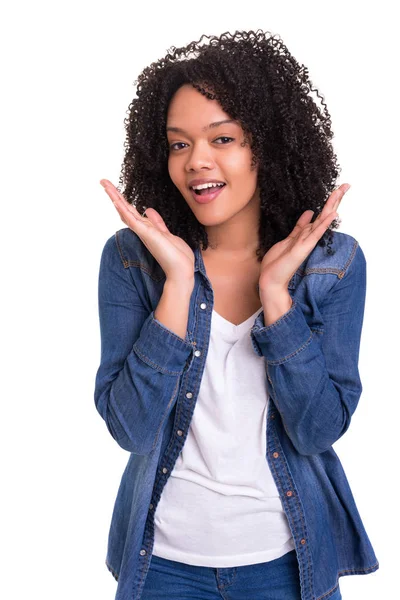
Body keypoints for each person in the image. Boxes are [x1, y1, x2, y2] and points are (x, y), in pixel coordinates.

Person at [94, 30, 379, 600]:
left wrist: (276, 296)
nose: (197, 162)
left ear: (266, 146)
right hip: (163, 569)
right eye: (178, 145)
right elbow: (131, 428)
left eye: (221, 138)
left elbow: (318, 428)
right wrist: (177, 283)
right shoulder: (133, 259)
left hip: (287, 565)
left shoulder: (332, 267)